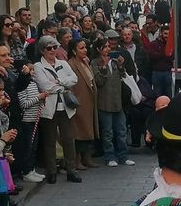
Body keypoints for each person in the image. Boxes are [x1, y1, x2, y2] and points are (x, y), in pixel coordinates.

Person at [32, 34, 83, 184]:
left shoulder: (63, 62)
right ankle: (51, 171)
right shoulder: (38, 66)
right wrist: (63, 85)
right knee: (49, 140)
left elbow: (74, 79)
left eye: (55, 47)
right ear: (42, 50)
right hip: (49, 107)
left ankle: (71, 170)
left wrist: (59, 81)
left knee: (68, 139)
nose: (53, 50)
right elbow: (45, 86)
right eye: (49, 48)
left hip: (65, 107)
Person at [93, 36, 134, 168]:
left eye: (109, 47)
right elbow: (98, 82)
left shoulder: (115, 61)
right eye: (105, 47)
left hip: (118, 101)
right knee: (107, 132)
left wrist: (121, 65)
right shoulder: (94, 62)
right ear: (99, 49)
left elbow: (123, 76)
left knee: (121, 130)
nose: (108, 49)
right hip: (104, 102)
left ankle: (123, 156)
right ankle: (109, 156)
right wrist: (104, 67)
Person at [66, 39, 99, 173]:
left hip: (89, 100)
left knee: (88, 131)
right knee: (79, 132)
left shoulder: (86, 61)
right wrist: (75, 100)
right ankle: (77, 160)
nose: (85, 50)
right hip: (79, 101)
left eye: (85, 47)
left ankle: (87, 157)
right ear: (74, 50)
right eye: (81, 48)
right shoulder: (71, 64)